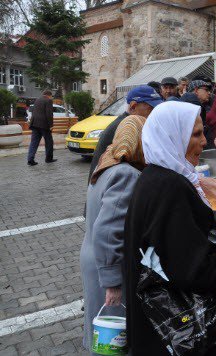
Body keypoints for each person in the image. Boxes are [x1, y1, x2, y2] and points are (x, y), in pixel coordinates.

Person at [123, 101, 216, 355]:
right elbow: (193, 271)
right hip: (176, 335)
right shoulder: (170, 189)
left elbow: (171, 249)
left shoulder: (153, 177)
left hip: (152, 327)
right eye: (195, 134)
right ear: (172, 137)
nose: (204, 141)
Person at [81, 115, 147, 352]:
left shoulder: (105, 165)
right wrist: (112, 282)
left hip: (93, 257)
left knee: (97, 325)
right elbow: (109, 231)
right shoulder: (126, 174)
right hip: (108, 264)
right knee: (111, 333)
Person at [88, 85, 163, 180]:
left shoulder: (127, 123)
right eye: (151, 109)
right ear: (133, 106)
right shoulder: (126, 127)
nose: (154, 113)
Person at [27, 90, 56, 166]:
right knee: (49, 142)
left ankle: (30, 159)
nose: (51, 98)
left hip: (35, 124)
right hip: (44, 125)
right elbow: (49, 114)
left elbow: (34, 112)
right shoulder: (48, 100)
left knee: (34, 142)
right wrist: (51, 125)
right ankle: (48, 159)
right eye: (51, 96)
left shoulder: (37, 100)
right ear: (49, 95)